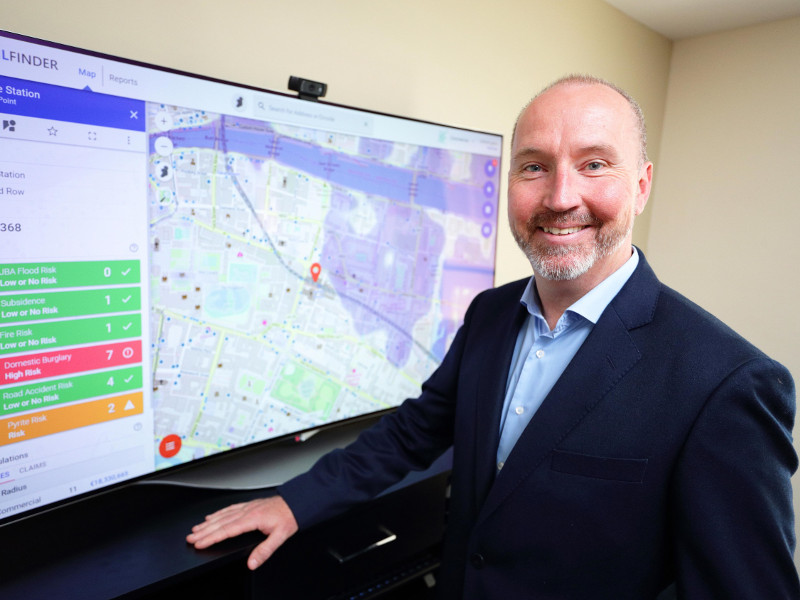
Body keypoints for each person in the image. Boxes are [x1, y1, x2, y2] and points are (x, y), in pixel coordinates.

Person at [187, 75, 799, 598]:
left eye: (594, 164)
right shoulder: (490, 313)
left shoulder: (726, 383)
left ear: (640, 184)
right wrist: (296, 502)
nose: (561, 197)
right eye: (535, 166)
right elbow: (416, 430)